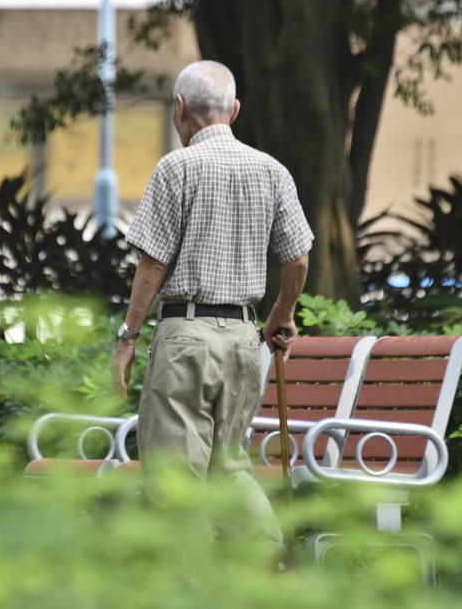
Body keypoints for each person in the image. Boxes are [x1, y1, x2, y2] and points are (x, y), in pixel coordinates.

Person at [110, 60, 313, 547]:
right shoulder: (272, 170)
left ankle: (194, 581)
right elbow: (299, 259)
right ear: (235, 110)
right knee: (229, 469)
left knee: (175, 481)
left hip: (186, 340)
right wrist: (281, 314)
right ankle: (267, 565)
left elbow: (153, 265)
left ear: (179, 108)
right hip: (243, 342)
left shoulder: (176, 167)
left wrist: (128, 338)